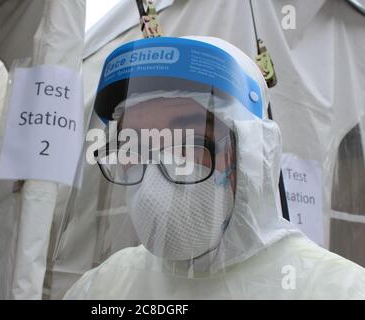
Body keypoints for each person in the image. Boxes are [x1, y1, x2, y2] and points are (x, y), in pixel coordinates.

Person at [62, 36, 365, 299]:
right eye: (133, 146)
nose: (154, 175)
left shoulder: (337, 290)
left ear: (251, 156)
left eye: (189, 142)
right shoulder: (106, 286)